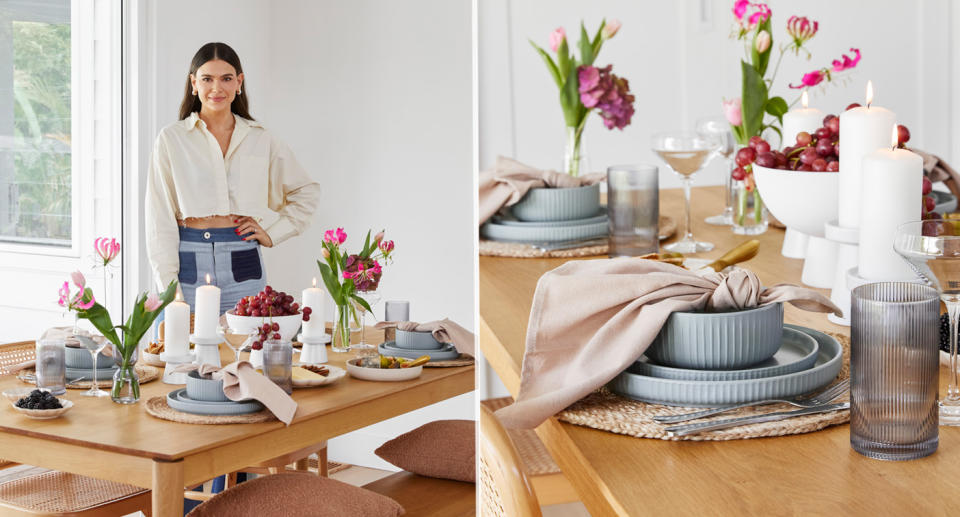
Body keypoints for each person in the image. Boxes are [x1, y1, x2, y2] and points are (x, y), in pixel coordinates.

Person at [145, 42, 320, 313]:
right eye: (207, 79)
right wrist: (169, 287)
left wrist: (272, 234)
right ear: (194, 83)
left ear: (239, 82)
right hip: (188, 262)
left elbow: (306, 192)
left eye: (226, 78)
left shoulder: (261, 138)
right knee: (184, 350)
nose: (217, 88)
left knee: (247, 351)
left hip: (244, 263)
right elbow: (159, 220)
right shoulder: (172, 139)